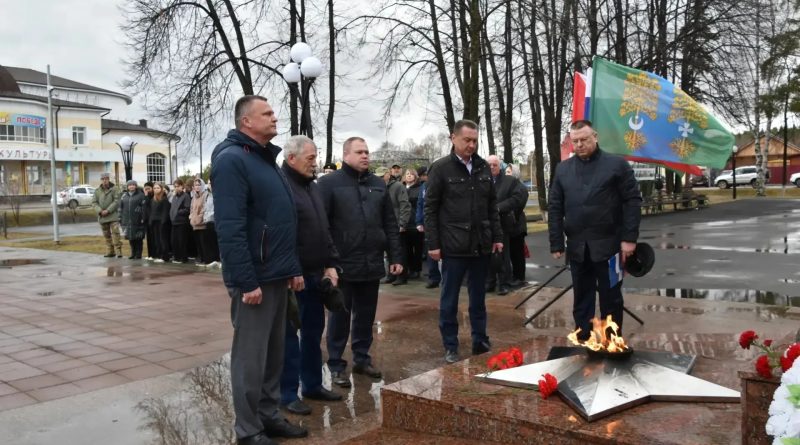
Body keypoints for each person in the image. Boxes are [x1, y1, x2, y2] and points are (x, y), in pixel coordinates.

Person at [211, 95, 307, 445]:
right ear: (245, 122)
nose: (274, 117)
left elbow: (283, 222)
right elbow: (230, 226)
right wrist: (245, 280)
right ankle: (248, 430)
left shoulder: (266, 160)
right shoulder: (232, 160)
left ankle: (267, 416)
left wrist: (292, 268)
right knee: (250, 359)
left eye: (273, 112)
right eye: (266, 113)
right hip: (254, 280)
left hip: (277, 275)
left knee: (273, 356)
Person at [317, 136, 404, 388]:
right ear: (346, 155)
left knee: (366, 316)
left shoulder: (378, 184)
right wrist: (327, 262)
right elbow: (323, 225)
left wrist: (396, 256)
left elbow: (388, 222)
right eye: (359, 152)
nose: (365, 155)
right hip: (342, 264)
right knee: (339, 316)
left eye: (367, 151)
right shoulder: (329, 184)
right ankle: (335, 364)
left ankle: (362, 358)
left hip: (372, 262)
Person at [548, 120, 642, 340]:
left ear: (595, 136)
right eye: (575, 141)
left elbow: (633, 201)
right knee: (582, 296)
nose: (579, 145)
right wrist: (556, 242)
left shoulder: (617, 165)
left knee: (611, 297)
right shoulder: (563, 169)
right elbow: (555, 207)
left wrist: (629, 238)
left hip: (610, 245)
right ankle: (584, 337)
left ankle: (611, 340)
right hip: (578, 247)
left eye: (584, 139)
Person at [424, 119, 503, 364]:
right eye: (467, 140)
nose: (471, 145)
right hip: (453, 246)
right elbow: (430, 209)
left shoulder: (481, 167)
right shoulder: (440, 168)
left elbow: (492, 205)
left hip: (480, 244)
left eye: (475, 141)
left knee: (478, 298)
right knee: (449, 299)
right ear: (453, 138)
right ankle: (451, 345)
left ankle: (480, 339)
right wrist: (433, 244)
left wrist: (497, 236)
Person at [279, 135, 343, 416]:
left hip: (317, 274)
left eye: (315, 158)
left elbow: (323, 229)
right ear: (291, 158)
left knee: (313, 334)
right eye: (311, 158)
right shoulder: (281, 187)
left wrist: (331, 264)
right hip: (295, 277)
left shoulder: (312, 187)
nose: (315, 163)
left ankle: (313, 385)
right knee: (290, 338)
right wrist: (292, 270)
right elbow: (282, 235)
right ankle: (287, 394)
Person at [485, 156, 528, 295]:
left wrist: (499, 207)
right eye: (489, 165)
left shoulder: (510, 181)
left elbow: (518, 198)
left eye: (494, 165)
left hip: (502, 223)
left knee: (503, 254)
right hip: (485, 224)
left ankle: (504, 283)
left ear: (500, 166)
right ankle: (490, 282)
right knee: (488, 255)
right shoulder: (481, 180)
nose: (491, 167)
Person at [377, 166, 411, 285]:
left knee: (399, 250)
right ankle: (391, 274)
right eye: (379, 176)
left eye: (382, 175)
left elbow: (404, 205)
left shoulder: (398, 186)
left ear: (388, 174)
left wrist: (402, 223)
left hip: (397, 224)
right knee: (389, 251)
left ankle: (402, 276)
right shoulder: (380, 187)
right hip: (385, 225)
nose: (381, 178)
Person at [415, 166, 441, 289]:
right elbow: (420, 205)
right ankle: (433, 277)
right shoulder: (423, 187)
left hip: (445, 223)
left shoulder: (443, 184)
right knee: (431, 249)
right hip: (429, 223)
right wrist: (419, 222)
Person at [505, 164, 529, 284]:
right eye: (506, 172)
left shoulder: (520, 188)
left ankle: (519, 277)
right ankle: (512, 276)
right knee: (510, 253)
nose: (506, 174)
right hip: (508, 226)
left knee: (517, 253)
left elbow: (517, 207)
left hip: (517, 226)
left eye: (509, 172)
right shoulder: (506, 187)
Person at [92, 172, 123, 258]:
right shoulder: (97, 191)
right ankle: (110, 251)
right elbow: (94, 202)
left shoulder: (115, 189)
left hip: (113, 216)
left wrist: (108, 210)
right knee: (107, 235)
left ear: (109, 179)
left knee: (116, 234)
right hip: (102, 217)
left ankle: (118, 251)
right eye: (103, 179)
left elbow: (117, 201)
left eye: (106, 179)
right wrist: (100, 211)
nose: (105, 181)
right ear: (101, 180)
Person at [402, 168, 423, 280]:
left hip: (416, 221)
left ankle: (417, 269)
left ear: (415, 176)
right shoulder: (402, 188)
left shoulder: (420, 188)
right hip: (405, 222)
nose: (409, 176)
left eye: (411, 174)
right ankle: (410, 268)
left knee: (418, 248)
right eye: (407, 174)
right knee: (407, 248)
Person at [120, 180, 147, 259]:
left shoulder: (141, 195)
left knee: (138, 238)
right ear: (127, 187)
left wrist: (143, 217)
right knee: (131, 238)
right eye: (130, 185)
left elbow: (144, 207)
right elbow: (120, 207)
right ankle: (133, 253)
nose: (131, 186)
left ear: (136, 186)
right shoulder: (124, 196)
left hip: (138, 220)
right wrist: (120, 218)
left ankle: (138, 254)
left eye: (133, 185)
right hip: (127, 220)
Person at [169, 179, 191, 263]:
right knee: (174, 241)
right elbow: (172, 208)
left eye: (178, 186)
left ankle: (183, 258)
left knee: (182, 241)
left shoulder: (185, 196)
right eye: (175, 186)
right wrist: (172, 214)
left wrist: (178, 212)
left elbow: (187, 209)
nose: (176, 188)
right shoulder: (174, 197)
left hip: (182, 222)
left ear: (182, 186)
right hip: (174, 222)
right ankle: (177, 257)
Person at [189, 178, 210, 265]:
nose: (197, 187)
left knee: (204, 243)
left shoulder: (206, 195)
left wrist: (199, 218)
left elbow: (205, 208)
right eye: (196, 185)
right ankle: (200, 257)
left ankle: (205, 259)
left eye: (199, 185)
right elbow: (191, 209)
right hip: (195, 224)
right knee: (198, 243)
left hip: (202, 224)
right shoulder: (194, 197)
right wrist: (191, 217)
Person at [148, 182, 170, 262]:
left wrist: (163, 222)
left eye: (158, 188)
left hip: (162, 222)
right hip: (154, 222)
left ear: (161, 189)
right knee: (156, 240)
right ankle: (158, 255)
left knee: (162, 239)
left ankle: (164, 256)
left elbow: (165, 212)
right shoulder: (152, 199)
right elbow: (151, 211)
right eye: (154, 188)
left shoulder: (164, 199)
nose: (156, 190)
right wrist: (150, 221)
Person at [202, 179, 220, 267]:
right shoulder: (207, 195)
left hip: (216, 221)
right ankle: (211, 259)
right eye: (209, 183)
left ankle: (218, 259)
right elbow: (206, 208)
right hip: (208, 221)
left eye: (211, 183)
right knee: (209, 241)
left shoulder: (219, 194)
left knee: (216, 241)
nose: (210, 185)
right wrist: (205, 217)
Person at [142, 182, 155, 259]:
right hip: (146, 221)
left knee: (154, 239)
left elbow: (149, 205)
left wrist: (146, 196)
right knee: (149, 239)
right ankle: (150, 255)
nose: (147, 191)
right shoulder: (144, 197)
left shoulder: (153, 197)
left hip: (153, 220)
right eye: (145, 189)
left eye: (148, 189)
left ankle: (154, 254)